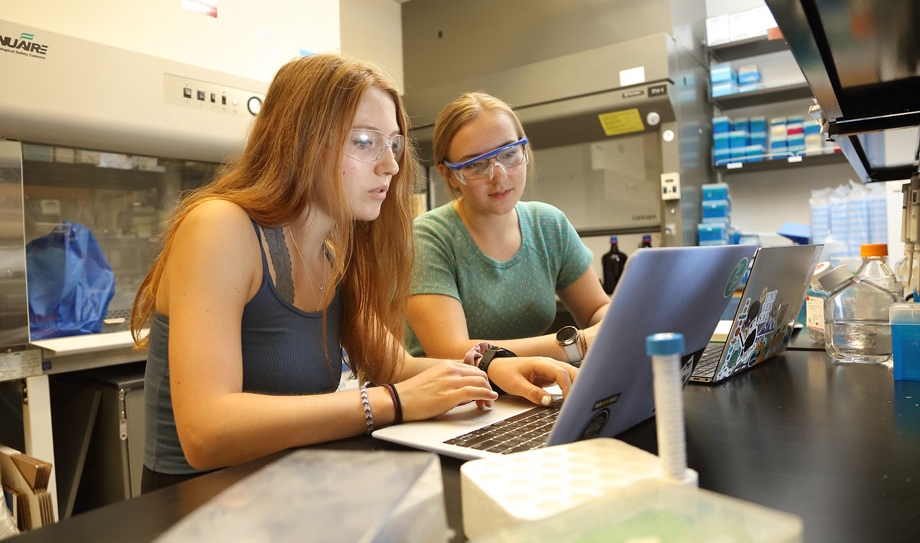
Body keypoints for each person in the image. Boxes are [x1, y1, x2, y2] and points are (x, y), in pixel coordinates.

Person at [130, 55, 578, 492]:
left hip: (285, 489)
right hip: (195, 506)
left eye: (394, 144)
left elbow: (397, 366)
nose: (392, 164)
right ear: (300, 140)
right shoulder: (219, 226)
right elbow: (206, 433)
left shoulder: (329, 252)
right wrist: (391, 403)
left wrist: (493, 367)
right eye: (365, 141)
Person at [405, 92, 610, 366]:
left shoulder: (549, 224)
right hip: (455, 401)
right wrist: (573, 346)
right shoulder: (429, 237)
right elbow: (451, 350)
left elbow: (598, 308)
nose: (499, 176)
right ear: (449, 175)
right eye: (476, 164)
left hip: (533, 391)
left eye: (509, 154)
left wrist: (609, 327)